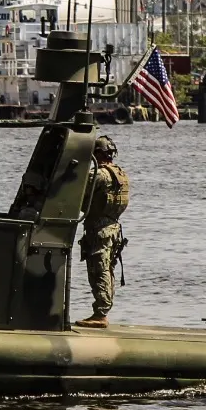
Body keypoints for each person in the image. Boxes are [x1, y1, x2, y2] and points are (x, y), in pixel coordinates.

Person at [77, 135, 129, 328]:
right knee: (107, 270)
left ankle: (100, 313)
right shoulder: (120, 173)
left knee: (98, 271)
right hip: (113, 229)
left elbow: (77, 195)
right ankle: (103, 309)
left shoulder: (98, 174)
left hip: (99, 230)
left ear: (97, 153)